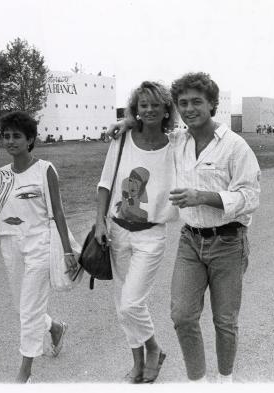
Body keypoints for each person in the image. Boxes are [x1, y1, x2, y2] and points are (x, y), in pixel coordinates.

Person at [110, 72, 260, 383]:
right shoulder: (178, 141)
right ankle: (198, 383)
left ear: (212, 104)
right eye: (183, 103)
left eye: (196, 102)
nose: (190, 108)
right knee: (182, 316)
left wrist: (201, 197)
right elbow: (149, 129)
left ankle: (225, 382)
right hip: (190, 241)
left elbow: (250, 196)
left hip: (228, 242)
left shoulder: (235, 146)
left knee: (224, 320)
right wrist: (127, 122)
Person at [0, 111, 79, 383]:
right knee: (22, 307)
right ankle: (55, 327)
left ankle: (25, 373)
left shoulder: (45, 169)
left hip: (40, 245)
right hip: (11, 244)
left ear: (30, 139)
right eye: (6, 136)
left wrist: (68, 251)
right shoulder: (2, 175)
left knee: (30, 309)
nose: (10, 141)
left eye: (16, 136)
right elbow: (0, 213)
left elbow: (58, 212)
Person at [95, 81, 178, 383]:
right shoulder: (122, 139)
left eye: (156, 104)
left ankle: (154, 349)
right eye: (143, 105)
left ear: (167, 109)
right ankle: (138, 364)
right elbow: (105, 183)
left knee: (132, 302)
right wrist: (99, 220)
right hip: (117, 230)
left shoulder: (177, 145)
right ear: (136, 109)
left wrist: (127, 119)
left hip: (151, 235)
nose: (150, 109)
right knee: (123, 305)